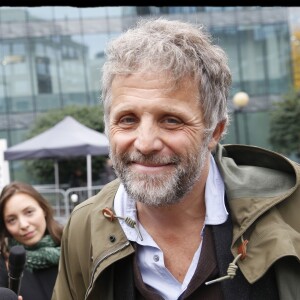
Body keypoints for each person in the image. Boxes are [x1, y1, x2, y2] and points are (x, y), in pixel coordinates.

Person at [52, 18, 300, 300]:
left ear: (215, 131)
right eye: (128, 119)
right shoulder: (84, 228)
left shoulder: (292, 208)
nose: (145, 143)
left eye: (171, 120)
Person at [0, 181, 63, 300]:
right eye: (12, 220)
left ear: (43, 209)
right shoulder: (5, 265)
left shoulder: (73, 247)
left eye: (29, 212)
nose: (23, 225)